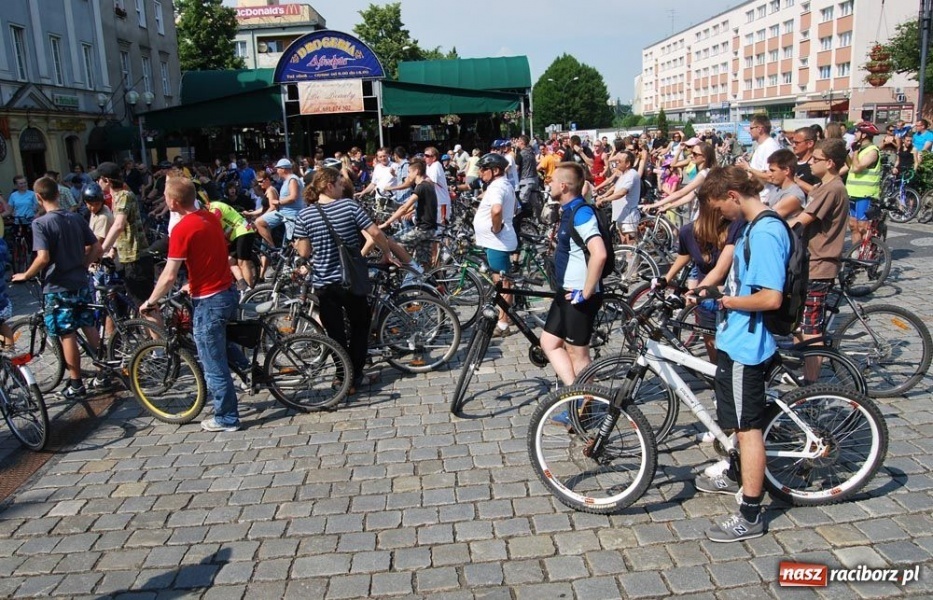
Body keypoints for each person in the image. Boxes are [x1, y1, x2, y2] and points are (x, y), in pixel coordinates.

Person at [692, 165, 790, 543]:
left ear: (733, 196)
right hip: (736, 337)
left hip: (748, 344)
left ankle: (750, 513)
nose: (721, 215)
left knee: (749, 430)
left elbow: (770, 297)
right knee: (737, 422)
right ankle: (736, 472)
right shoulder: (752, 226)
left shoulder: (764, 231)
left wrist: (727, 300)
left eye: (720, 207)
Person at [140, 176, 245, 432]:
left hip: (210, 300)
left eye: (165, 196)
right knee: (222, 342)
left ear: (173, 202)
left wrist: (151, 301)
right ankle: (248, 371)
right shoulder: (209, 217)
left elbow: (168, 275)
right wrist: (193, 283)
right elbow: (212, 254)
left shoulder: (181, 229)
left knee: (212, 362)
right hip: (225, 291)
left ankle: (227, 418)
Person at [293, 167, 397, 396]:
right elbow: (375, 232)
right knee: (360, 327)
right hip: (350, 280)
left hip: (324, 283)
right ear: (329, 185)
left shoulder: (305, 215)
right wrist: (387, 252)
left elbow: (304, 251)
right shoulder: (349, 206)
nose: (343, 188)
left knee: (335, 333)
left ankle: (343, 376)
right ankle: (355, 375)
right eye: (340, 184)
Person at [12, 177, 103, 399]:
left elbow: (43, 258)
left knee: (66, 333)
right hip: (80, 281)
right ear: (57, 193)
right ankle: (103, 370)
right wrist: (83, 264)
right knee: (88, 324)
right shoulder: (74, 217)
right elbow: (96, 246)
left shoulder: (41, 223)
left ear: (38, 197)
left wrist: (26, 274)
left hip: (57, 285)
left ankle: (76, 383)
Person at [788, 139, 850, 381]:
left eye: (816, 159)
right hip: (810, 264)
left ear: (830, 163)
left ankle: (812, 382)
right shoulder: (826, 186)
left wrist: (770, 227)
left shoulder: (833, 188)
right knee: (800, 322)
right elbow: (811, 192)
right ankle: (799, 372)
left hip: (820, 265)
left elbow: (802, 220)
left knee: (811, 328)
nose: (810, 163)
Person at [541, 162, 606, 386]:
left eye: (552, 180)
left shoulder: (581, 213)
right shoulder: (571, 208)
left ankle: (585, 409)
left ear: (564, 186)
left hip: (578, 294)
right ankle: (574, 395)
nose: (548, 184)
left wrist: (586, 292)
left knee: (579, 355)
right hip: (565, 290)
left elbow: (600, 253)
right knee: (549, 342)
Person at [97, 163, 157, 320]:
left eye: (99, 179)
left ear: (106, 180)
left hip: (136, 258)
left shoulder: (124, 196)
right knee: (140, 306)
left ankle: (159, 343)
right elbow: (125, 230)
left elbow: (119, 225)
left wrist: (101, 250)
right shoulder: (119, 197)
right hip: (128, 257)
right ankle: (152, 340)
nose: (97, 183)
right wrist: (112, 250)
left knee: (146, 307)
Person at [472, 153, 518, 336]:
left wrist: (496, 227)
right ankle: (506, 316)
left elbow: (497, 209)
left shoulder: (497, 187)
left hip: (497, 241)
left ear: (495, 170)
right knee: (503, 281)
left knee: (502, 283)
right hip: (497, 241)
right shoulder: (503, 185)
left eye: (483, 169)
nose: (480, 172)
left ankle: (503, 323)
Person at [379, 159, 437, 268]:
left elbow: (404, 207)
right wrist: (413, 211)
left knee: (391, 241)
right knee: (424, 262)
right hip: (430, 229)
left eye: (409, 172)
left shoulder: (421, 187)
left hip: (422, 229)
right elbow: (426, 205)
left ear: (417, 171)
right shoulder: (428, 184)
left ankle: (410, 268)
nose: (408, 175)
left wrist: (387, 222)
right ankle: (435, 283)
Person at [844, 122, 882, 246]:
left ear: (864, 135)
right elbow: (851, 166)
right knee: (853, 225)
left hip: (866, 194)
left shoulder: (872, 151)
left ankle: (867, 252)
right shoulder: (859, 150)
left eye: (857, 132)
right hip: (852, 192)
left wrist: (854, 152)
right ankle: (856, 253)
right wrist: (846, 154)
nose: (855, 134)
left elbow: (857, 168)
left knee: (862, 226)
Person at [255, 158, 304, 248]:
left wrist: (278, 202)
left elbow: (293, 197)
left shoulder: (292, 179)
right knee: (259, 222)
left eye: (278, 169)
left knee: (293, 245)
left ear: (283, 169)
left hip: (292, 215)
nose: (276, 171)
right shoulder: (286, 181)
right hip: (282, 213)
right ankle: (273, 248)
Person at [595, 151, 640, 245]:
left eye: (620, 161)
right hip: (620, 214)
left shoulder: (632, 174)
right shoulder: (623, 174)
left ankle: (634, 260)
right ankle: (628, 259)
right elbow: (615, 187)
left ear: (627, 164)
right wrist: (604, 195)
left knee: (631, 243)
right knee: (623, 241)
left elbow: (622, 192)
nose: (617, 163)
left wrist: (605, 200)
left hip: (629, 215)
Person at [736, 115, 781, 201]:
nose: (749, 131)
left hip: (765, 197)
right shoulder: (762, 146)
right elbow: (758, 171)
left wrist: (748, 168)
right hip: (758, 194)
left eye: (751, 128)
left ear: (760, 129)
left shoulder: (769, 147)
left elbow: (770, 176)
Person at [764, 149, 807, 219]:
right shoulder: (776, 188)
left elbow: (768, 218)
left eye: (772, 170)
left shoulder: (793, 196)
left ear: (786, 171)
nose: (769, 174)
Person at [423, 147, 450, 226]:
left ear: (434, 158)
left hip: (441, 201)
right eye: (424, 155)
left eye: (427, 156)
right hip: (433, 202)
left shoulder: (436, 165)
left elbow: (431, 182)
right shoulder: (428, 166)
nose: (424, 157)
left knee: (442, 227)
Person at [790, 127, 820, 196]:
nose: (793, 145)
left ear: (810, 143)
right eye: (792, 142)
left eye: (796, 143)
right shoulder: (791, 162)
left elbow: (818, 193)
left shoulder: (816, 165)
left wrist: (795, 180)